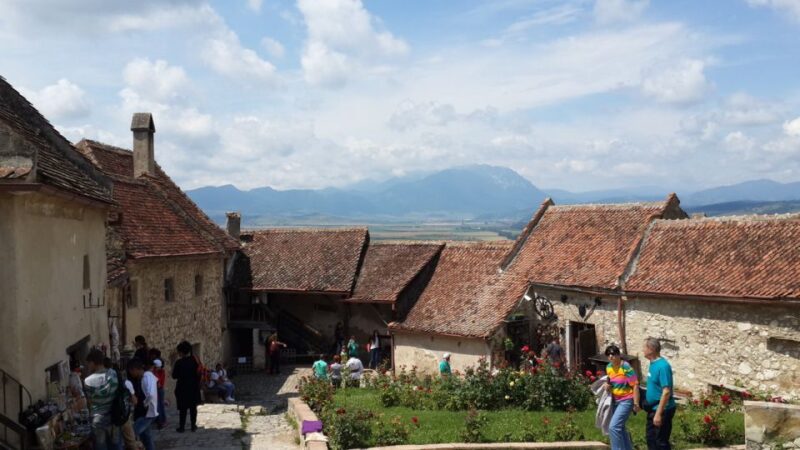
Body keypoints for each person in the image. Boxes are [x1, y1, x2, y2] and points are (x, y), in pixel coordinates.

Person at [642, 338, 676, 450]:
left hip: (662, 410)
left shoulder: (663, 366)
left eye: (644, 347)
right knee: (651, 439)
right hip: (653, 408)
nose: (643, 350)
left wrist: (658, 413)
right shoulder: (652, 363)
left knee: (660, 442)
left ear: (651, 349)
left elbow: (666, 392)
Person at [604, 345, 639, 450]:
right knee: (620, 428)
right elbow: (610, 382)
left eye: (613, 354)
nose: (611, 356)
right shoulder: (609, 367)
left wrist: (636, 403)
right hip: (615, 401)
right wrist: (607, 386)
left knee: (613, 427)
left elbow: (635, 384)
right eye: (608, 354)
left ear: (618, 355)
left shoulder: (626, 367)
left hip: (626, 401)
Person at [83, 349, 120, 450]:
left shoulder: (88, 381)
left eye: (89, 363)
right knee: (115, 444)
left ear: (93, 363)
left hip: (98, 418)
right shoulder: (113, 373)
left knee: (101, 446)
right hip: (114, 415)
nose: (88, 366)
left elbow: (90, 402)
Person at [128, 358, 158, 450]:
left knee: (131, 434)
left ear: (135, 369)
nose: (131, 374)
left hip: (147, 413)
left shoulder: (147, 377)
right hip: (145, 412)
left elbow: (151, 393)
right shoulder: (143, 378)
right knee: (146, 438)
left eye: (131, 371)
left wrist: (145, 403)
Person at [172, 341, 201, 432]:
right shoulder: (195, 360)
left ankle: (182, 427)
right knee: (193, 408)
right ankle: (193, 426)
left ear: (181, 352)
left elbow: (174, 376)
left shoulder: (179, 363)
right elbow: (199, 373)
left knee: (183, 409)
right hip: (194, 387)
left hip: (182, 388)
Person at [149, 350, 167, 429]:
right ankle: (160, 420)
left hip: (159, 390)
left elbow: (159, 382)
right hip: (157, 390)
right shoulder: (157, 372)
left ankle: (161, 421)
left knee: (160, 406)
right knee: (158, 405)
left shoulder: (161, 372)